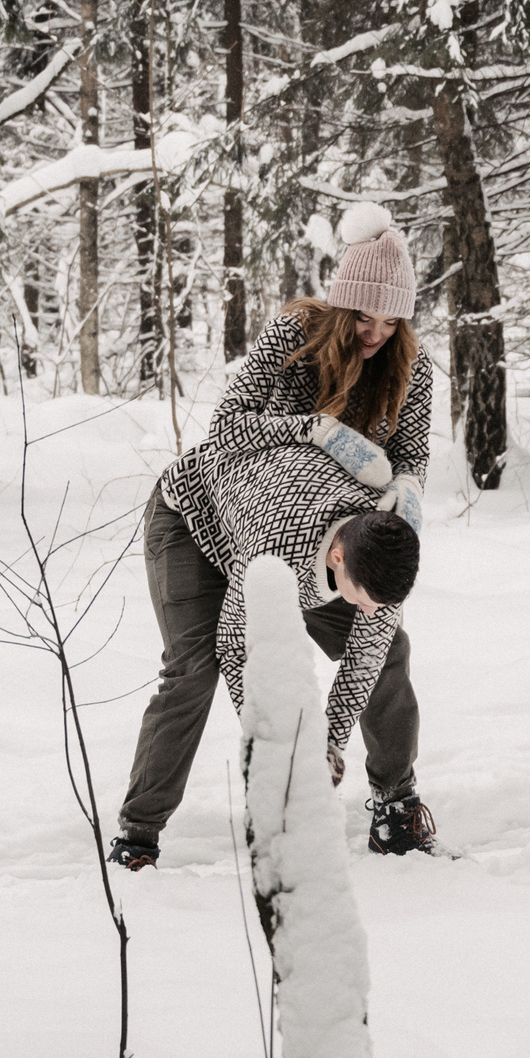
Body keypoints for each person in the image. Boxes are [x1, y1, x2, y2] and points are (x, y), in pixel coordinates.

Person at [110, 205, 441, 867]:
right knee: (195, 666)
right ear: (340, 303)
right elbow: (227, 428)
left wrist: (405, 490)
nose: (376, 332)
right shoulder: (296, 336)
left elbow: (411, 455)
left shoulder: (412, 368)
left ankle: (395, 802)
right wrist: (315, 429)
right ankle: (138, 832)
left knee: (384, 641)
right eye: (363, 317)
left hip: (330, 534)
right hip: (203, 518)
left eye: (390, 320)